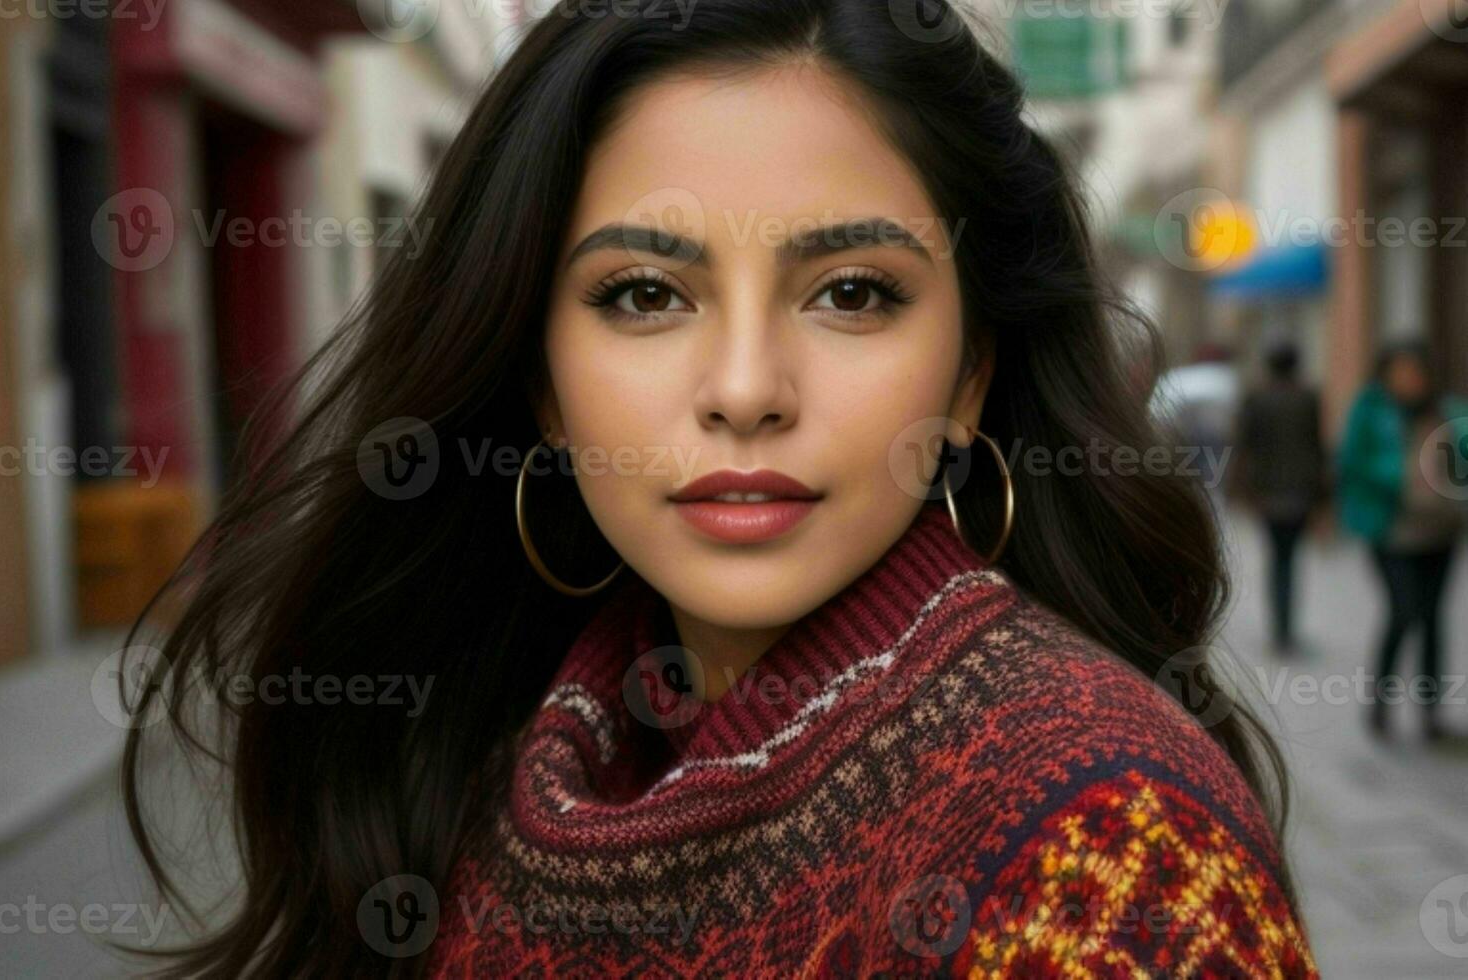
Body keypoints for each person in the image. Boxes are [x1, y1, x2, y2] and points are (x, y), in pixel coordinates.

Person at [114, 1, 1317, 975]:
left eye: (852, 291)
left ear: (968, 378)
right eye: (645, 293)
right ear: (541, 382)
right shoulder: (499, 767)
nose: (745, 390)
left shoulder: (1111, 851)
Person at [1339, 340, 1468, 740]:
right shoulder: (1371, 410)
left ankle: (1430, 712)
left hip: (1440, 531)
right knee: (1403, 611)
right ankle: (1380, 701)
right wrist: (1396, 479)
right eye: (1401, 371)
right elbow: (1351, 462)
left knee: (1432, 618)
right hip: (1391, 529)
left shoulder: (1448, 410)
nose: (1409, 380)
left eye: (1416, 371)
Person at [1233, 342, 1326, 654]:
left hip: (1268, 492)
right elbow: (1316, 446)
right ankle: (1286, 628)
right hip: (1300, 491)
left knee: (1278, 559)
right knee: (1290, 559)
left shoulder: (1257, 398)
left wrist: (1242, 489)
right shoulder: (1307, 398)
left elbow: (1244, 445)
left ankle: (1280, 627)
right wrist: (1323, 495)